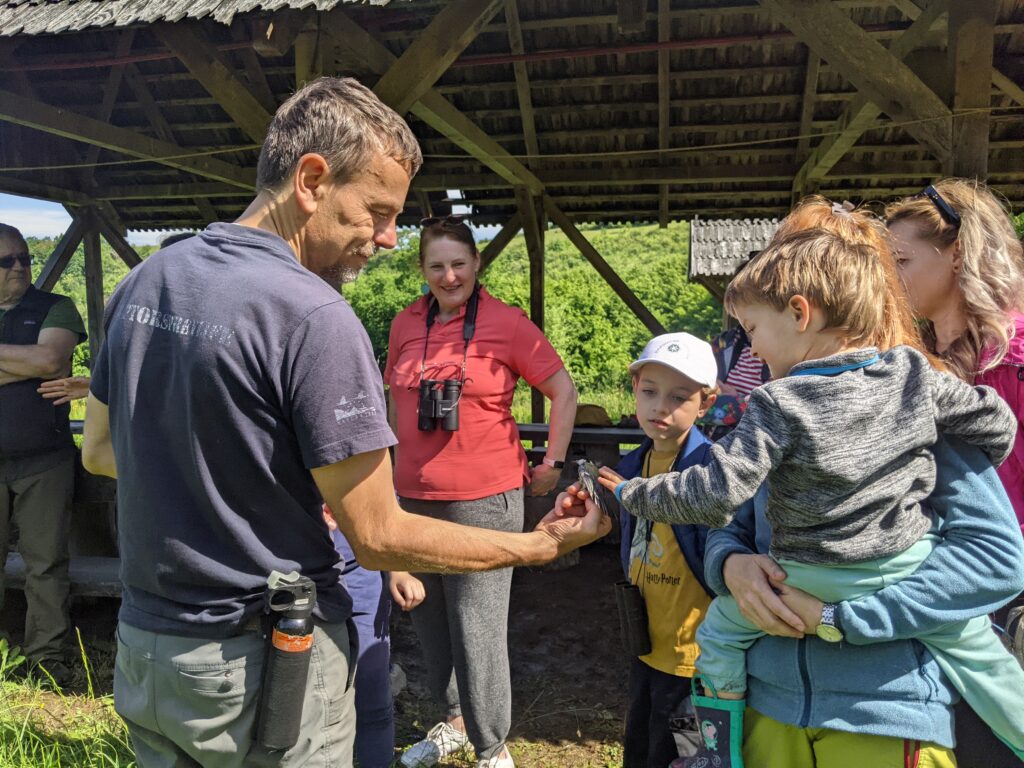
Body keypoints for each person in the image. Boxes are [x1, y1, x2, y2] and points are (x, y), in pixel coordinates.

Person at [80, 77, 608, 768]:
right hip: (263, 666)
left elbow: (99, 451)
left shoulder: (144, 282)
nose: (387, 239)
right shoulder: (314, 316)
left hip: (149, 650)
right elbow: (379, 536)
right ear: (311, 180)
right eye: (376, 211)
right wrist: (538, 547)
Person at [599, 228, 1024, 767]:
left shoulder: (777, 403)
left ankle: (717, 750)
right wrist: (727, 562)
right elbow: (993, 418)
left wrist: (635, 494)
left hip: (828, 620)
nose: (752, 348)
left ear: (800, 313)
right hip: (898, 568)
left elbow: (716, 493)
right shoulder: (914, 377)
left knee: (719, 636)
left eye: (753, 330)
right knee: (982, 654)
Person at [384, 215, 577, 768]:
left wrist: (552, 462)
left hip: (485, 499)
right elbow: (389, 401)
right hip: (412, 499)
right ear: (421, 269)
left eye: (458, 264)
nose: (449, 277)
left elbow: (563, 391)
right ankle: (453, 724)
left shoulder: (506, 323)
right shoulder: (404, 324)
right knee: (428, 620)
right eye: (436, 266)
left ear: (476, 263)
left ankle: (492, 746)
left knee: (477, 627)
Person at [885, 181, 1024, 532]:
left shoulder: (1014, 356)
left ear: (958, 254)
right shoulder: (910, 359)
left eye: (901, 261)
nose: (888, 281)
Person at [613, 332, 720, 768]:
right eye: (650, 392)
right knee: (640, 749)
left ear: (706, 403)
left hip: (695, 658)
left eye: (679, 397)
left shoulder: (712, 472)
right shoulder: (631, 466)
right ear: (635, 388)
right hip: (646, 644)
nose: (661, 407)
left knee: (687, 755)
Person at [0, 223, 86, 688]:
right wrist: (24, 363)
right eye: (6, 261)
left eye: (25, 258)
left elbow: (50, 362)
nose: (19, 268)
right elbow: (36, 364)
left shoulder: (56, 306)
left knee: (46, 563)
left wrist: (36, 363)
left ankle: (46, 662)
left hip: (44, 461)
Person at [324, 509, 425, 768]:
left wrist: (398, 569)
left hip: (359, 573)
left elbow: (379, 508)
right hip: (290, 582)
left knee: (372, 693)